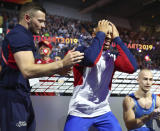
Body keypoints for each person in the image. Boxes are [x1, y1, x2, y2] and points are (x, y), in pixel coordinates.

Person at [0, 2, 84, 131]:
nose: (44, 25)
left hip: (20, 95)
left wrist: (57, 70)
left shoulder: (24, 35)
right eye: (40, 21)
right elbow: (27, 70)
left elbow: (31, 70)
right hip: (13, 98)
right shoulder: (19, 35)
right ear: (27, 18)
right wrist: (61, 63)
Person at [64, 20, 138, 131]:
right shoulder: (81, 50)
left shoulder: (112, 57)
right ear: (95, 34)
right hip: (79, 111)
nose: (108, 36)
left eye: (110, 33)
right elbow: (91, 60)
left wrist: (118, 39)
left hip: (102, 111)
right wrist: (101, 35)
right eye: (104, 32)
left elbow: (132, 67)